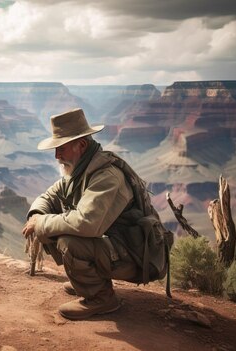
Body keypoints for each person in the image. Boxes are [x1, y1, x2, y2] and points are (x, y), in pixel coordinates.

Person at [22, 108, 169, 320]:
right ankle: (87, 282)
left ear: (81, 145)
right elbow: (50, 195)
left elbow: (86, 223)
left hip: (138, 257)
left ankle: (101, 298)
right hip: (121, 247)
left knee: (68, 241)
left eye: (61, 148)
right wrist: (36, 214)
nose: (57, 156)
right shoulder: (81, 169)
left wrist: (41, 223)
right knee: (54, 223)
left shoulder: (106, 176)